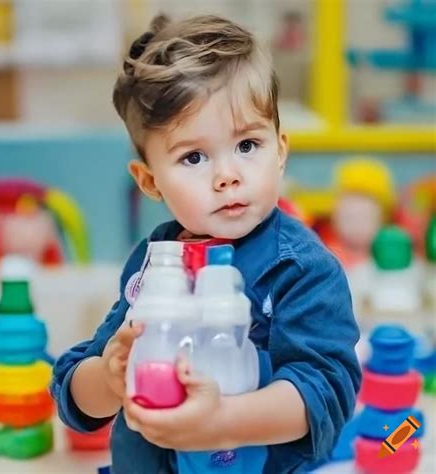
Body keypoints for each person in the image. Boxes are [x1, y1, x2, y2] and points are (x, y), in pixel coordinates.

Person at [51, 14, 361, 474]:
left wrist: (222, 423)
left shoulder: (301, 268)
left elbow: (325, 393)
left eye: (248, 145)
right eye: (194, 156)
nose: (227, 175)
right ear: (150, 181)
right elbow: (75, 392)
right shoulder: (153, 265)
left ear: (281, 150)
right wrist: (110, 378)